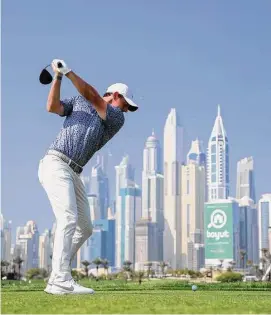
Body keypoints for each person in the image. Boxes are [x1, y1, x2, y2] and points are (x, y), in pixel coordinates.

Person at [38, 59, 139, 295]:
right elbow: (52, 107)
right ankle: (61, 280)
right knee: (68, 218)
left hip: (73, 172)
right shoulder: (78, 101)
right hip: (55, 163)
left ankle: (57, 275)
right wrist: (59, 77)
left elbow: (93, 96)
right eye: (125, 105)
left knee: (85, 227)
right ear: (115, 95)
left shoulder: (115, 118)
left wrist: (69, 71)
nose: (126, 111)